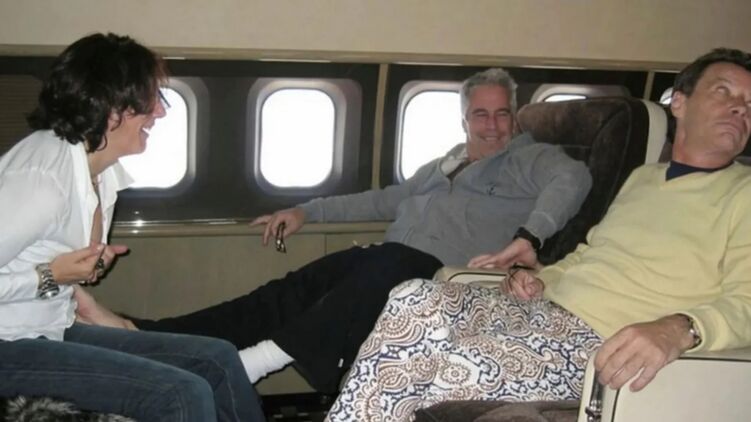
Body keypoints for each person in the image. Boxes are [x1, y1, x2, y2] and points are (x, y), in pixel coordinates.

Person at [79, 67, 592, 393]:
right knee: (286, 291)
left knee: (390, 261)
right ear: (464, 120)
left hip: (450, 279)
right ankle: (150, 336)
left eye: (502, 114)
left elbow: (574, 179)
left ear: (515, 118)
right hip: (392, 262)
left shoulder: (530, 159)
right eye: (481, 114)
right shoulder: (447, 163)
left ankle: (253, 364)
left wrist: (528, 238)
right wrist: (307, 211)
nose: (493, 125)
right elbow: (383, 200)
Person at [324, 47, 751, 421]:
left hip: (602, 346)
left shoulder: (743, 193)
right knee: (413, 294)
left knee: (424, 363)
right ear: (679, 102)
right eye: (724, 92)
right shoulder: (645, 178)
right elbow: (591, 253)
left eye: (750, 103)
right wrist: (545, 277)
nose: (740, 109)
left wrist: (680, 329)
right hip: (545, 311)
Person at [0, 33, 264, 422]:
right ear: (109, 107)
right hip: (8, 342)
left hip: (50, 327)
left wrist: (95, 306)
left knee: (218, 360)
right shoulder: (41, 181)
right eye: (151, 99)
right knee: (181, 393)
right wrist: (48, 276)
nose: (160, 112)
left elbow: (43, 260)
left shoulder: (101, 174)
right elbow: (46, 273)